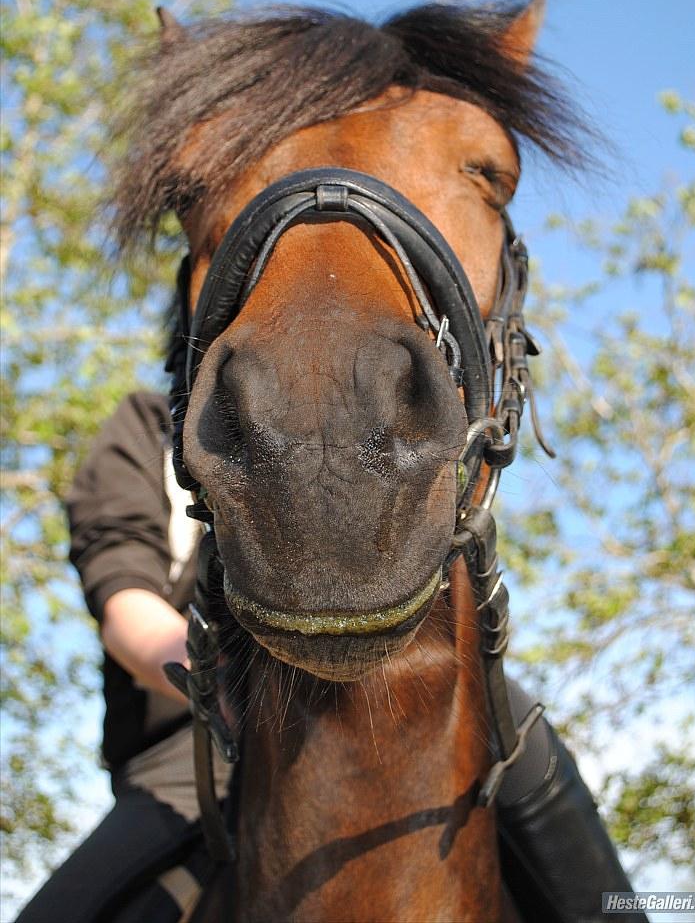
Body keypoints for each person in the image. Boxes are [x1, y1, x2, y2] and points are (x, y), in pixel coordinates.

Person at [17, 390, 640, 923]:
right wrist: (221, 684)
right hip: (208, 727)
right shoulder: (146, 428)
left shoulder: (376, 419)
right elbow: (127, 608)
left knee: (517, 729)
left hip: (404, 686)